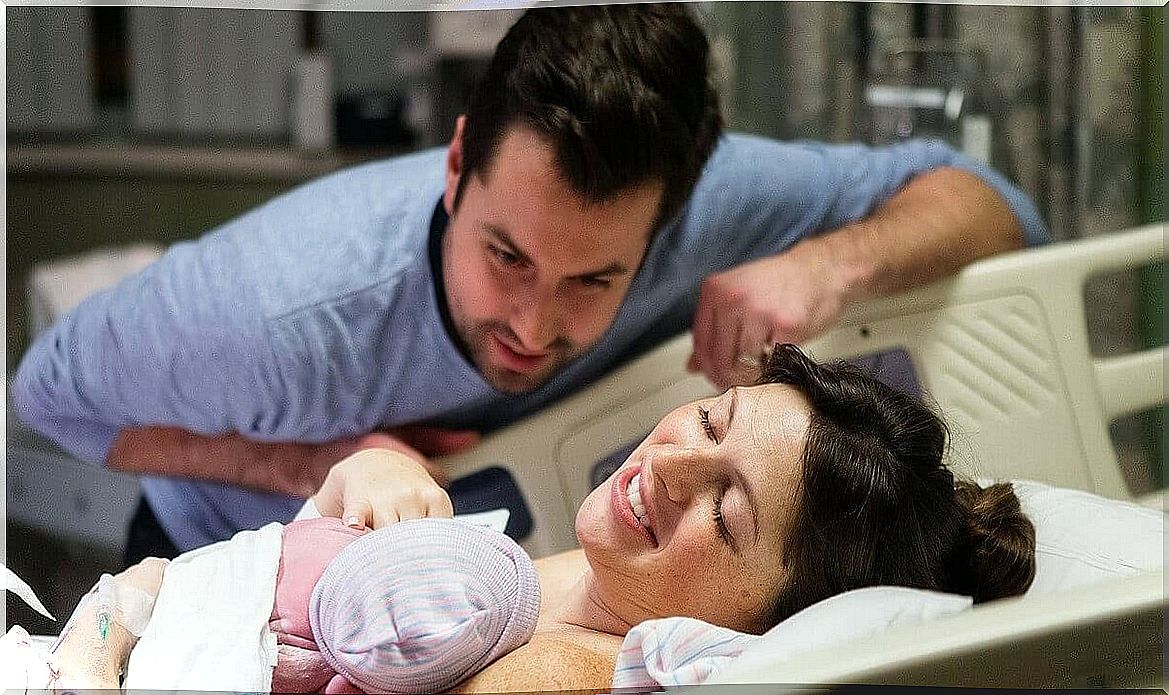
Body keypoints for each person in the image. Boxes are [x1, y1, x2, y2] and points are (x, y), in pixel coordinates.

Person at [9, 4, 1048, 562]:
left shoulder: (709, 197)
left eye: (596, 276)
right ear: (456, 163)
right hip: (225, 557)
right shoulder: (273, 312)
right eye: (505, 254)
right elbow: (43, 395)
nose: (531, 322)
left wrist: (823, 263)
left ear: (671, 215)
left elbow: (992, 200)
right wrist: (302, 460)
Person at [34, 345, 1036, 693]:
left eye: (723, 503)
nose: (667, 463)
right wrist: (365, 473)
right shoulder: (533, 577)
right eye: (706, 417)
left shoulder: (561, 668)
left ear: (764, 615)